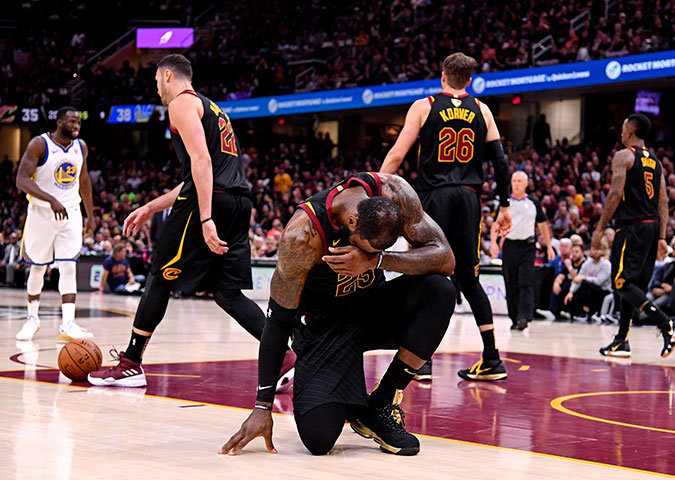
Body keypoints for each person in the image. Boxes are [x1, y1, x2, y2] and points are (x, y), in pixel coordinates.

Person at [89, 54, 294, 387]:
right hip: (239, 202)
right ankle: (284, 357)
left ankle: (131, 363)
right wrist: (150, 207)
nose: (158, 90)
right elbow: (199, 174)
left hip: (215, 202)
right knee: (227, 293)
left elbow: (201, 163)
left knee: (158, 276)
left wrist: (206, 217)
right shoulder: (214, 109)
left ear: (168, 76)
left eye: (157, 82)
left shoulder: (181, 104)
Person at [219, 172, 456, 457]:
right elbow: (278, 320)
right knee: (319, 439)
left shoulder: (394, 192)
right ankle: (346, 395)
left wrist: (377, 260)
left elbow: (446, 258)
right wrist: (262, 406)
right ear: (352, 222)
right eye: (369, 249)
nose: (373, 255)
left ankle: (381, 402)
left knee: (440, 291)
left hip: (372, 308)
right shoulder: (302, 235)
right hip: (323, 327)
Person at [379, 52, 512, 382]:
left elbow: (397, 154)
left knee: (423, 272)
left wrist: (375, 187)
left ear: (442, 76)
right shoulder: (482, 110)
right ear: (469, 80)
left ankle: (420, 361)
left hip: (433, 198)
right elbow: (501, 163)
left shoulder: (424, 106)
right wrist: (505, 205)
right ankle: (492, 357)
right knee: (468, 277)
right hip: (468, 198)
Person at [591, 113, 675, 358]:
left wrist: (600, 229)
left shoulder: (624, 156)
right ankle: (621, 341)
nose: (620, 133)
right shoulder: (656, 162)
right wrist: (662, 236)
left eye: (622, 129)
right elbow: (663, 200)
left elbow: (614, 194)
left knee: (621, 282)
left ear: (630, 131)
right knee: (632, 287)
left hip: (631, 226)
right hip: (652, 227)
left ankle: (666, 323)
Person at [15, 106, 95, 342]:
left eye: (79, 122)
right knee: (38, 267)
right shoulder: (39, 145)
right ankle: (32, 319)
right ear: (60, 122)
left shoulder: (81, 147)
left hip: (70, 213)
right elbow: (21, 180)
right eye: (72, 122)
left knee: (69, 266)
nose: (76, 125)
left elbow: (84, 180)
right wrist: (51, 200)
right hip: (41, 213)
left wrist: (90, 215)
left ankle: (68, 323)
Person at [490, 171, 554, 330]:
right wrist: (493, 243)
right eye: (514, 180)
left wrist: (549, 246)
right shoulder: (506, 202)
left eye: (520, 181)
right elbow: (496, 224)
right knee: (510, 282)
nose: (516, 183)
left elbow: (543, 224)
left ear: (526, 184)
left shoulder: (533, 202)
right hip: (510, 246)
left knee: (525, 281)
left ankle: (524, 316)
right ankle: (515, 317)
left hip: (528, 247)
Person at [564, 243, 611, 320]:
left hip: (603, 291)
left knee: (585, 285)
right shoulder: (587, 264)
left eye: (598, 249)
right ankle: (572, 313)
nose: (596, 252)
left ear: (602, 251)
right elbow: (577, 279)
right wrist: (571, 292)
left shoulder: (606, 264)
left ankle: (587, 313)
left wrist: (584, 278)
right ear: (590, 251)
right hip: (589, 290)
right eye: (594, 249)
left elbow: (599, 281)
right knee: (572, 297)